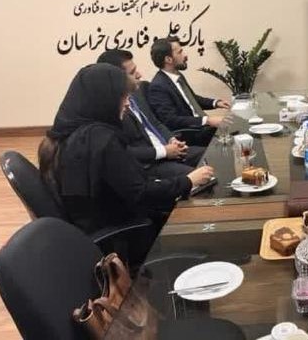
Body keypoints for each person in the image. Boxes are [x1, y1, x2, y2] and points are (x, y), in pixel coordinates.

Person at [37, 64, 214, 239]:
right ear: (105, 100)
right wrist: (189, 180)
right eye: (123, 97)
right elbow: (141, 194)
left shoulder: (69, 134)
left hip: (94, 225)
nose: (128, 103)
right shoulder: (101, 140)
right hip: (128, 231)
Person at [96, 49, 205, 178]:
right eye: (132, 73)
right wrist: (164, 151)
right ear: (115, 78)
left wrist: (172, 140)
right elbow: (124, 151)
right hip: (149, 165)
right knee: (204, 176)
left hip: (168, 150)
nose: (139, 75)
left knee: (212, 155)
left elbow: (155, 123)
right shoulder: (111, 110)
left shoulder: (137, 93)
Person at [147, 36, 230, 146]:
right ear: (168, 59)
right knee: (233, 135)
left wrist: (216, 103)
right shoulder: (158, 87)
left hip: (202, 128)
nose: (185, 55)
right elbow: (171, 120)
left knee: (236, 127)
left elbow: (192, 99)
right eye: (180, 52)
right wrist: (207, 120)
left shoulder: (177, 76)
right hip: (191, 135)